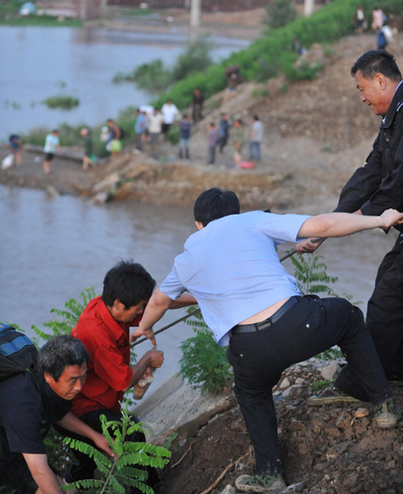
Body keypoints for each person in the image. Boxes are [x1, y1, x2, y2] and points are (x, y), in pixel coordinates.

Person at [131, 187, 402, 493]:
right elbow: (324, 225)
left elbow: (159, 302)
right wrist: (380, 219)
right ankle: (383, 405)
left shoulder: (186, 257)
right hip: (300, 325)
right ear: (235, 212)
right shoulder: (252, 221)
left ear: (198, 224)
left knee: (251, 393)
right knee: (349, 317)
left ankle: (270, 474)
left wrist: (143, 328)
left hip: (248, 350)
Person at [297, 50, 403, 387]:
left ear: (380, 80)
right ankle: (392, 369)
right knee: (390, 280)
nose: (361, 99)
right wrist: (330, 222)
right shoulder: (394, 117)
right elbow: (371, 172)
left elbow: (399, 181)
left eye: (361, 89)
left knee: (388, 297)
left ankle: (370, 382)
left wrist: (361, 218)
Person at [65, 260, 195, 489]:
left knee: (84, 465)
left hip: (103, 401)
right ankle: (151, 487)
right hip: (84, 408)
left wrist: (199, 299)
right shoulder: (95, 331)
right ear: (118, 304)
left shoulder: (109, 308)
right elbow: (123, 380)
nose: (140, 312)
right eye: (138, 308)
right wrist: (147, 360)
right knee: (131, 431)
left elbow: (159, 303)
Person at [0, 334, 113, 494]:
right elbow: (39, 471)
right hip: (6, 452)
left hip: (18, 441)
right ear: (49, 376)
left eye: (83, 376)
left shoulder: (46, 379)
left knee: (62, 488)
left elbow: (59, 414)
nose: (79, 387)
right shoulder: (24, 407)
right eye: (73, 380)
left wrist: (95, 436)